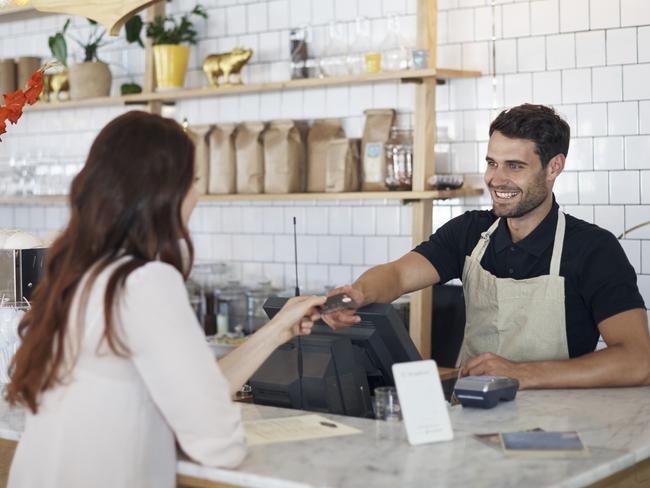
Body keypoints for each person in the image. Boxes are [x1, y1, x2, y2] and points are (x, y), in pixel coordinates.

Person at [5, 111, 326, 488]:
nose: (198, 194)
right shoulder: (146, 282)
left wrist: (276, 331)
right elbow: (217, 444)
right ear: (162, 194)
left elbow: (194, 389)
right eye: (192, 180)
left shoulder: (79, 274)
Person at [326, 104, 650, 390]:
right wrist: (356, 294)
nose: (497, 179)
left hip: (559, 430)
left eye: (515, 166)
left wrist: (521, 374)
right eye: (492, 163)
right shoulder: (470, 232)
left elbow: (637, 360)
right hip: (472, 415)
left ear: (554, 167)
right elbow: (396, 275)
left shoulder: (593, 249)